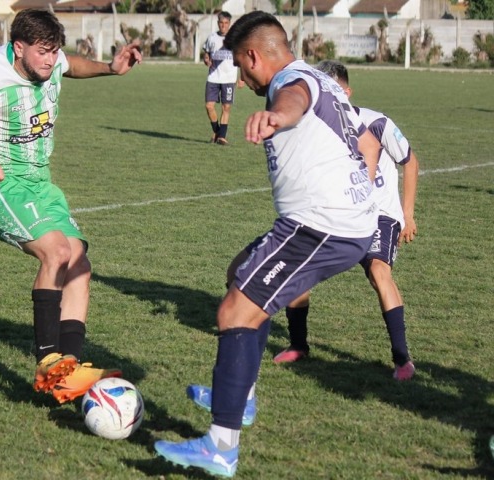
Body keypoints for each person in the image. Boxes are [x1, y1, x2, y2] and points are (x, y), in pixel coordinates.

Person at [154, 11, 380, 478]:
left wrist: (278, 114)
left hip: (321, 225)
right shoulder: (323, 78)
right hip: (336, 221)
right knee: (241, 274)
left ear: (254, 55)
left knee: (235, 312)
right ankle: (242, 395)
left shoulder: (292, 81)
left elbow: (295, 100)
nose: (242, 77)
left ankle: (221, 446)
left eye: (241, 65)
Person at [0, 9, 142, 404]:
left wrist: (111, 68)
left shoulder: (52, 60)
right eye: (43, 52)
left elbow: (71, 65)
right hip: (1, 185)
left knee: (78, 262)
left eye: (54, 51)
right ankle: (47, 365)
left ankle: (68, 370)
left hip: (41, 184)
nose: (51, 59)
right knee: (57, 252)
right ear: (18, 47)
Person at [272, 60, 419, 382]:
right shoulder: (317, 126)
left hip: (379, 212)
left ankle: (402, 358)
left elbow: (410, 161)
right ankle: (298, 345)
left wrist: (407, 214)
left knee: (379, 272)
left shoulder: (376, 122)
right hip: (336, 211)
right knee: (300, 271)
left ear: (346, 91)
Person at [202, 11, 243, 145]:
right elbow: (206, 54)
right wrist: (206, 59)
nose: (223, 26)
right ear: (218, 23)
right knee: (209, 106)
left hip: (229, 79)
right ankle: (217, 131)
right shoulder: (212, 37)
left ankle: (222, 137)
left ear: (229, 24)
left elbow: (241, 59)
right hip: (213, 77)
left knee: (226, 107)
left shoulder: (236, 40)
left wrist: (241, 78)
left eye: (226, 23)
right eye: (221, 23)